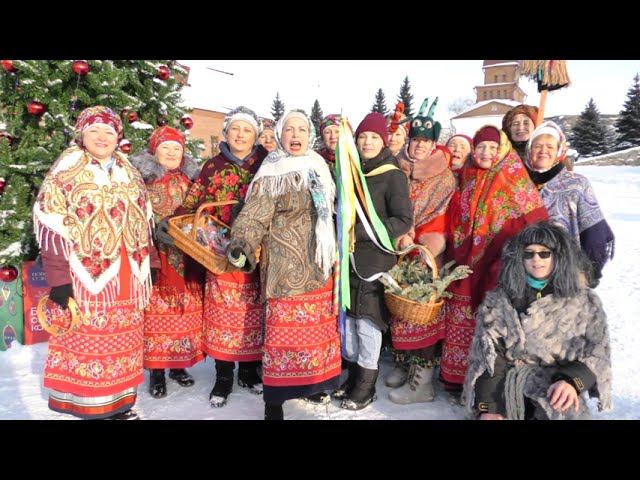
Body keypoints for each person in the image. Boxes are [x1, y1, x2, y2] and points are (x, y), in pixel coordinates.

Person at [33, 106, 157, 420]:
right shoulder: (68, 168)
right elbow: (51, 224)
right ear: (82, 134)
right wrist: (59, 280)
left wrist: (152, 263)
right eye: (94, 131)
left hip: (128, 275)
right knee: (89, 340)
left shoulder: (128, 169)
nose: (102, 138)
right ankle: (91, 406)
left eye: (109, 132)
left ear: (118, 137)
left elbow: (144, 220)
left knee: (123, 342)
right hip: (85, 276)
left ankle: (119, 405)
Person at [227, 109, 341, 420]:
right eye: (289, 129)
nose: (295, 135)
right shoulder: (272, 171)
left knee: (315, 333)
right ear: (280, 135)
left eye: (301, 129)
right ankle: (274, 400)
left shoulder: (320, 166)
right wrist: (242, 244)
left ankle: (313, 384)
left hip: (319, 264)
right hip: (284, 267)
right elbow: (255, 214)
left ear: (310, 135)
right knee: (282, 336)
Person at [463, 222, 612, 420]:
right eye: (529, 253)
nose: (536, 259)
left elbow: (598, 352)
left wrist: (571, 382)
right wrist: (489, 408)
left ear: (558, 256)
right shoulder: (500, 300)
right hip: (508, 386)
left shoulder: (584, 301)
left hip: (557, 386)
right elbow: (489, 357)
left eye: (544, 253)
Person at [171, 106, 268, 407]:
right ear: (225, 132)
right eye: (235, 128)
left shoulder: (266, 163)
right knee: (222, 315)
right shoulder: (212, 166)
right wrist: (178, 223)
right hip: (217, 250)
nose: (240, 135)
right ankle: (224, 375)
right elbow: (194, 201)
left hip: (255, 252)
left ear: (255, 135)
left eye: (247, 130)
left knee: (252, 314)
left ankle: (249, 371)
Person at [442, 125, 548, 393]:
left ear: (502, 149)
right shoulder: (467, 175)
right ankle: (455, 378)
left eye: (492, 147)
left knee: (491, 322)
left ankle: (485, 382)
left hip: (497, 262)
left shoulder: (513, 176)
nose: (486, 153)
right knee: (461, 316)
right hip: (463, 260)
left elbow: (533, 219)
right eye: (480, 147)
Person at [334, 112, 413, 411]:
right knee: (350, 322)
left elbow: (403, 220)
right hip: (348, 260)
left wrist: (361, 232)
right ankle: (354, 377)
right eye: (363, 137)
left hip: (375, 260)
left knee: (368, 324)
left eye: (374, 137)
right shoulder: (350, 172)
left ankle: (366, 386)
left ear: (384, 141)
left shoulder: (392, 175)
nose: (367, 142)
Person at [389, 98, 456, 403]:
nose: (418, 146)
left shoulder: (443, 175)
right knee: (401, 312)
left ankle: (423, 381)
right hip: (399, 248)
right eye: (415, 140)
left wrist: (422, 243)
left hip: (427, 253)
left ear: (433, 145)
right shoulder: (397, 168)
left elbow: (442, 215)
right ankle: (405, 365)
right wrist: (400, 234)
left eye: (425, 142)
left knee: (423, 314)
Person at [130, 126, 204, 398]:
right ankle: (157, 371)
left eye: (177, 148)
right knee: (157, 314)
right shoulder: (143, 181)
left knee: (184, 313)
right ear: (154, 151)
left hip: (187, 256)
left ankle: (178, 365)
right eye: (166, 148)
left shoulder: (191, 180)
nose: (172, 153)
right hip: (157, 256)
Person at [524, 121, 614, 283]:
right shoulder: (519, 184)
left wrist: (588, 274)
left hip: (566, 277)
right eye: (537, 146)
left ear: (559, 151)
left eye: (550, 147)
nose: (543, 151)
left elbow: (595, 234)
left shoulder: (577, 184)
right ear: (530, 150)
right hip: (523, 276)